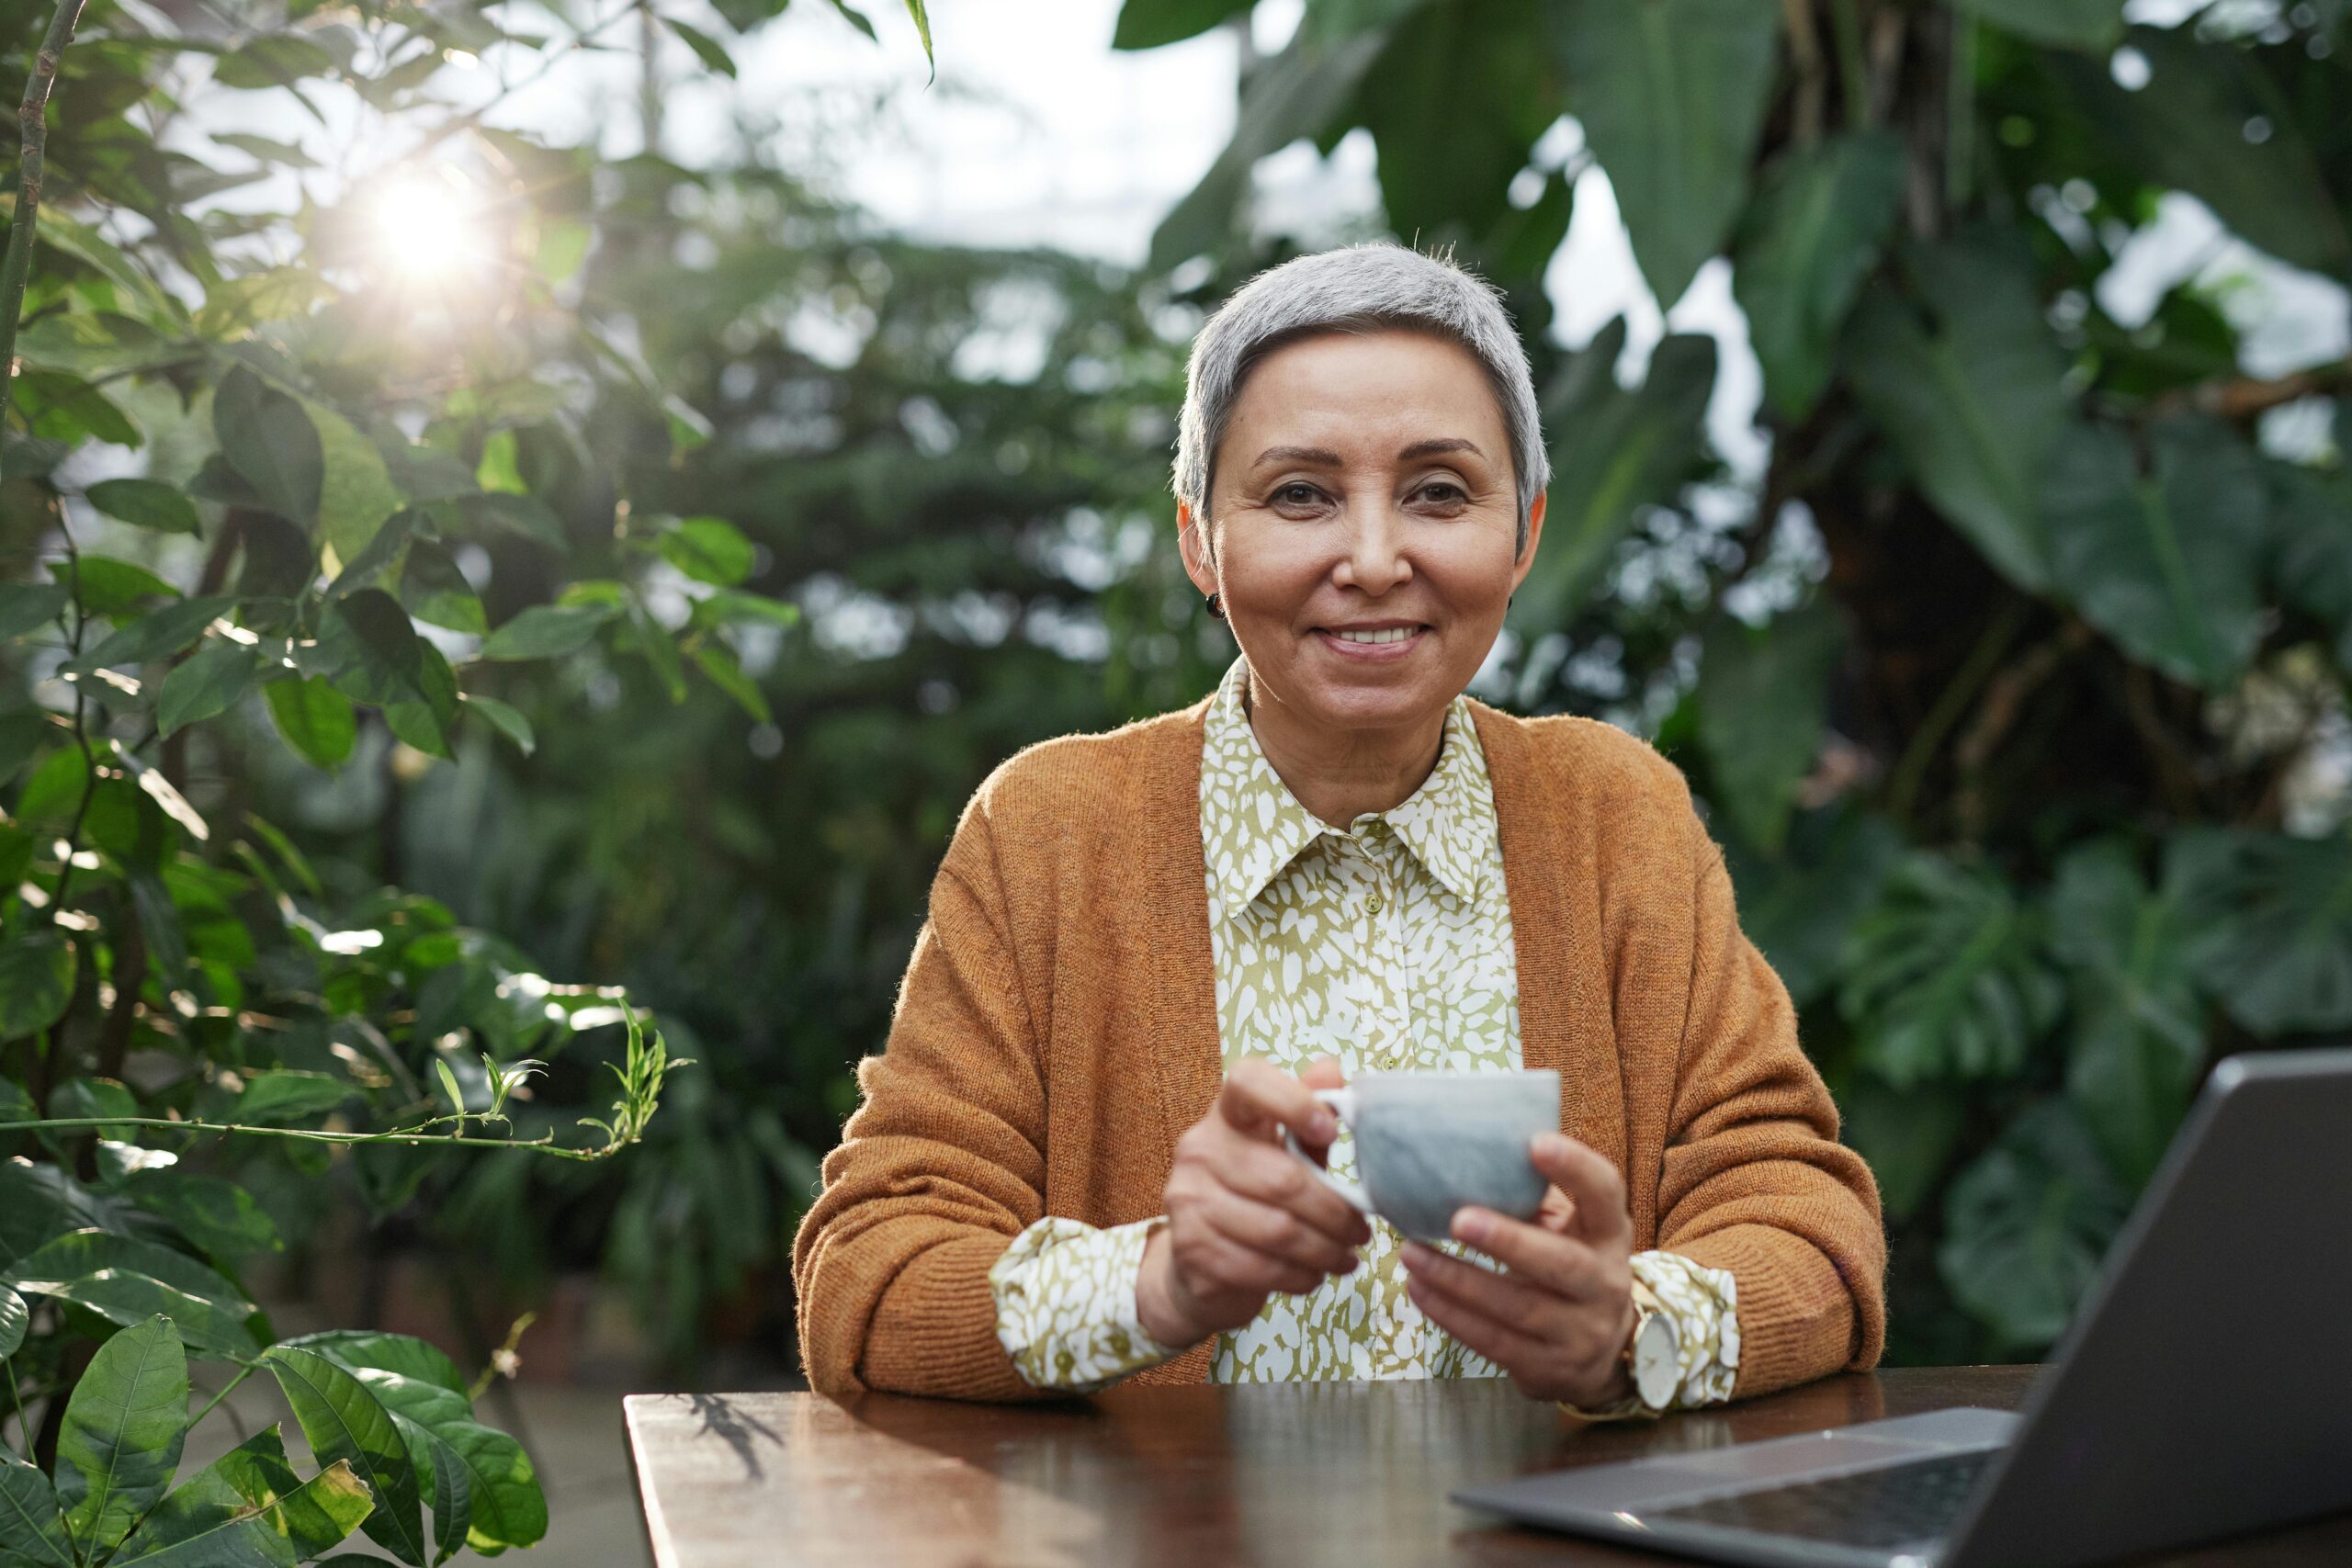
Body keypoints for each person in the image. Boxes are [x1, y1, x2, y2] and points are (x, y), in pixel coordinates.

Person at [791, 242, 1883, 1416]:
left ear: (1523, 534)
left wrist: (1633, 1325)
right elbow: (870, 1275)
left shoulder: (1616, 816)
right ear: (1198, 541)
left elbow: (1809, 1225)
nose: (1372, 561)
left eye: (1439, 492)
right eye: (1300, 494)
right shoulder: (1050, 832)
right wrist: (1153, 1283)